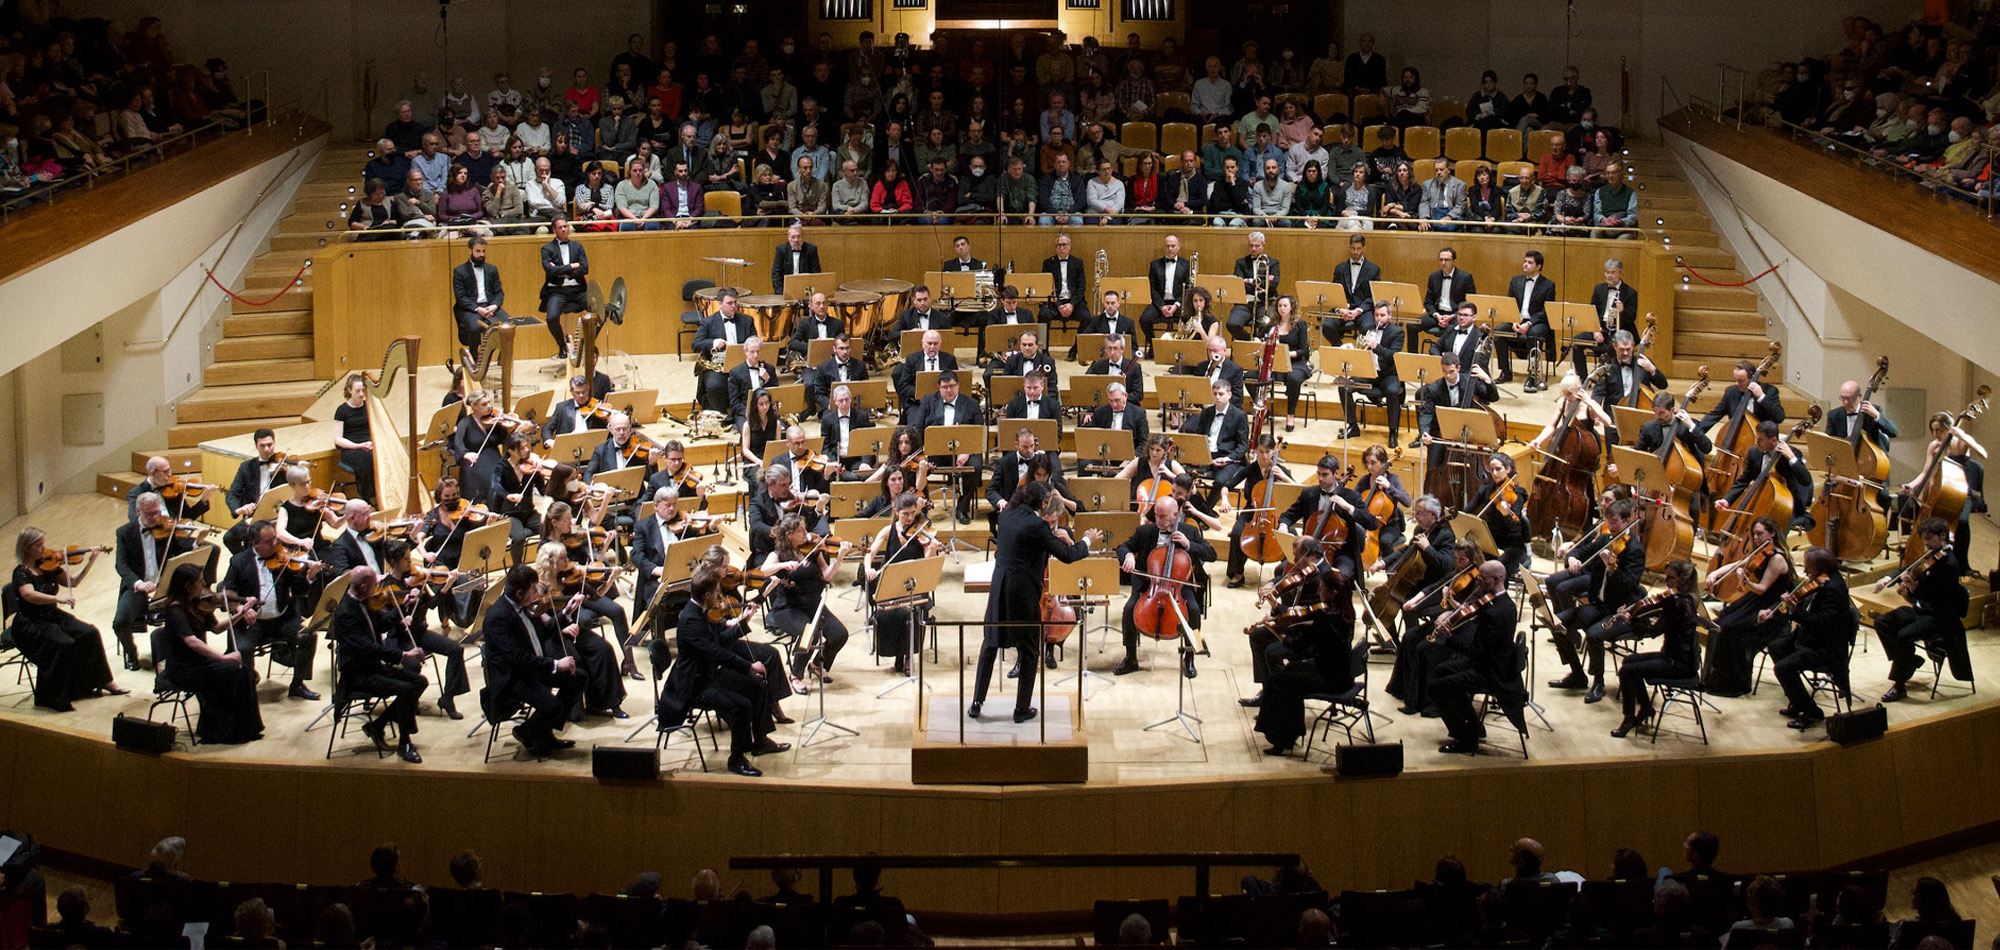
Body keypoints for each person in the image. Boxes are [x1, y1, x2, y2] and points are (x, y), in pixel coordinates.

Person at [972, 481, 1101, 721]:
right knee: (1030, 649)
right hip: (1022, 593)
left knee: (990, 644)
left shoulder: (1007, 515)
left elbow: (1026, 545)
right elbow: (1068, 556)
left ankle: (976, 703)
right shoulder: (1037, 526)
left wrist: (1050, 535)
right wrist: (1086, 540)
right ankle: (1021, 709)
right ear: (1042, 504)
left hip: (999, 588)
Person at [661, 564, 791, 776]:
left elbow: (719, 642)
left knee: (757, 685)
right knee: (742, 705)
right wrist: (749, 665)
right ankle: (736, 759)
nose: (720, 596)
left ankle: (760, 741)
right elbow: (716, 652)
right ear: (706, 595)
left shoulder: (701, 611)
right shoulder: (690, 620)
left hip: (710, 672)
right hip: (695, 684)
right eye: (717, 593)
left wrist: (743, 623)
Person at [11, 528, 125, 712]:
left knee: (89, 632)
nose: (43, 549)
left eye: (43, 544)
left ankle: (102, 681)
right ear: (26, 547)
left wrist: (91, 561)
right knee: (62, 643)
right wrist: (58, 599)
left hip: (52, 616)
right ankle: (54, 697)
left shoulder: (48, 565)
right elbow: (29, 595)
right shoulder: (21, 573)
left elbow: (74, 581)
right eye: (38, 545)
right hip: (31, 622)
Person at [1545, 499, 1648, 703]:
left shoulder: (1634, 551)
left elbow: (1628, 584)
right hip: (1599, 605)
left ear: (1628, 521)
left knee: (1593, 635)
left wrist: (1612, 568)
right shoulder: (1606, 540)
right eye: (1608, 521)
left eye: (1615, 522)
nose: (1610, 526)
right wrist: (1572, 558)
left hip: (1618, 610)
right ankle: (1577, 674)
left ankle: (1598, 683)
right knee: (1556, 623)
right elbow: (1579, 551)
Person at [483, 566, 584, 757]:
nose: (536, 593)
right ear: (520, 593)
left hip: (532, 668)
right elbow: (518, 659)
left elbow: (541, 634)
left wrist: (566, 613)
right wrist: (555, 664)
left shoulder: (522, 606)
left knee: (579, 678)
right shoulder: (498, 617)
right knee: (553, 706)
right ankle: (533, 732)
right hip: (513, 678)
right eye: (532, 589)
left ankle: (536, 730)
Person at [330, 567, 426, 763]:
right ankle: (404, 744)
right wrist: (404, 654)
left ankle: (377, 725)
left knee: (419, 682)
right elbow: (367, 648)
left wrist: (403, 606)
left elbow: (381, 625)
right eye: (375, 584)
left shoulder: (363, 602)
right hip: (358, 674)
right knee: (406, 689)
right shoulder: (345, 613)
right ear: (364, 586)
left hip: (373, 667)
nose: (378, 588)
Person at [221, 521, 325, 701]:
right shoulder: (239, 561)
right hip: (252, 622)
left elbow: (300, 590)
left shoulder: (284, 559)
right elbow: (226, 590)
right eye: (269, 541)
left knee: (308, 636)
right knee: (243, 648)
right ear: (255, 543)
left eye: (275, 538)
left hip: (283, 618)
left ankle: (298, 684)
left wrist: (309, 576)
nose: (275, 544)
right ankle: (247, 685)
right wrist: (240, 608)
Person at [1427, 560, 1522, 755]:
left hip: (1490, 671)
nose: (1478, 581)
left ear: (1497, 579)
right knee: (1441, 671)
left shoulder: (1496, 612)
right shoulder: (1502, 602)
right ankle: (1474, 726)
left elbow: (1476, 651)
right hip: (1490, 662)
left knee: (1436, 688)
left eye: (1482, 578)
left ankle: (1466, 739)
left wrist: (1449, 636)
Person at [1116, 496, 1215, 679]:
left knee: (1193, 610)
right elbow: (1122, 547)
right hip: (1149, 586)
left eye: (1163, 516)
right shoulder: (1145, 531)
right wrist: (1128, 555)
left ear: (1175, 514)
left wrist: (1188, 545)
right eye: (1156, 515)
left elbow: (1212, 554)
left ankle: (1190, 657)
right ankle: (1131, 658)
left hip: (1178, 585)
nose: (1158, 520)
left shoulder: (1189, 531)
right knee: (1129, 609)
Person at [1873, 517, 1969, 702]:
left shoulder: (1950, 564)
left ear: (1942, 536)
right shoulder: (1932, 555)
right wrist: (1888, 578)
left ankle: (1899, 685)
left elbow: (1938, 596)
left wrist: (1915, 588)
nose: (1926, 544)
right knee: (1882, 622)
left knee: (1904, 635)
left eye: (1929, 539)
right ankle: (1908, 661)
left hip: (1939, 617)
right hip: (1921, 611)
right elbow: (1907, 568)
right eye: (1924, 539)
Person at [1762, 546, 1854, 729]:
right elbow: (1808, 606)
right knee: (1776, 647)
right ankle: (1797, 699)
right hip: (1812, 638)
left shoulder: (1832, 588)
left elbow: (1820, 621)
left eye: (1808, 567)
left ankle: (1812, 712)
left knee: (1782, 668)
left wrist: (1796, 611)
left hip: (1826, 647)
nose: (1805, 571)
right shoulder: (1824, 580)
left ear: (1821, 566)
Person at [1701, 516, 1793, 697]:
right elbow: (1738, 563)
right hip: (1757, 601)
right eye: (1754, 534)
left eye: (1760, 534)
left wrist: (1745, 580)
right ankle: (1714, 677)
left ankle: (1735, 682)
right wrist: (1714, 573)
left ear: (1772, 533)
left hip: (1771, 607)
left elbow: (1762, 589)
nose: (1756, 538)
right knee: (1720, 622)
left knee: (1731, 629)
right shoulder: (1762, 550)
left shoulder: (1777, 559)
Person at [112, 493, 204, 671]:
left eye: (156, 512)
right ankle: (131, 653)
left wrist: (196, 541)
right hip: (139, 588)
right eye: (149, 514)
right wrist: (139, 583)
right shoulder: (124, 532)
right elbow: (121, 565)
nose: (155, 518)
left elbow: (182, 548)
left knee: (198, 609)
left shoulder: (166, 528)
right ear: (138, 511)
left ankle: (193, 655)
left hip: (167, 586)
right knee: (121, 622)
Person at [765, 513, 853, 690]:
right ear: (789, 534)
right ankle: (796, 675)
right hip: (787, 607)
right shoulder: (779, 554)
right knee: (809, 634)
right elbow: (764, 570)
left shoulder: (812, 550)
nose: (806, 533)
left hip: (813, 604)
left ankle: (818, 665)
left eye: (805, 528)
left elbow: (826, 575)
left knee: (839, 634)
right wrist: (782, 566)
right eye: (800, 530)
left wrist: (839, 558)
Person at [1279, 455, 1381, 579]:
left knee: (1337, 577)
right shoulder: (1309, 493)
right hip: (1310, 551)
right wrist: (1283, 526)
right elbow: (1288, 515)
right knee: (1281, 571)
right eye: (1319, 474)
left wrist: (1349, 508)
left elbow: (1372, 523)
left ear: (1336, 473)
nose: (1320, 479)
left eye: (1325, 475)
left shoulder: (1351, 497)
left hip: (1340, 552)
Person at [1336, 300, 1406, 445]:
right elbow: (1360, 350)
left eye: (1382, 315)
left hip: (1388, 375)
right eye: (1376, 315)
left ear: (1389, 316)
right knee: (1344, 386)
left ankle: (1393, 432)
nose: (1379, 318)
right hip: (1368, 373)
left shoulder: (1397, 332)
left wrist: (1376, 346)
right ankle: (1353, 426)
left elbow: (1392, 355)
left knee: (1393, 391)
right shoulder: (1367, 328)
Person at [537, 216, 590, 359]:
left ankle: (585, 345)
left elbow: (585, 268)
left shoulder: (577, 246)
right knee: (552, 317)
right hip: (557, 291)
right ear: (554, 230)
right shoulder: (547, 248)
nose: (564, 229)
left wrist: (564, 272)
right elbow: (550, 271)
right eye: (560, 227)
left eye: (565, 226)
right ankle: (562, 346)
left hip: (578, 289)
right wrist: (572, 266)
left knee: (600, 311)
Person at [1502, 250, 1555, 389]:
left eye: (1530, 262)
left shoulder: (1548, 285)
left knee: (1534, 334)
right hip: (1517, 319)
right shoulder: (1516, 280)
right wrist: (1514, 320)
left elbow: (1546, 310)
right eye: (1525, 261)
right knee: (1498, 331)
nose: (1525, 264)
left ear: (1538, 266)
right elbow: (1510, 302)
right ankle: (1505, 371)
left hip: (1537, 322)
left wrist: (1529, 323)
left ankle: (1533, 375)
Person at [451, 235, 512, 351]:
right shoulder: (459, 271)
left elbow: (499, 293)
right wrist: (478, 309)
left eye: (483, 251)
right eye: (478, 251)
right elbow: (460, 297)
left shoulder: (492, 269)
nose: (482, 255)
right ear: (470, 251)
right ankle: (476, 362)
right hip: (470, 308)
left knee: (509, 325)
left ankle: (502, 357)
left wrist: (494, 306)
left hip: (489, 306)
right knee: (475, 328)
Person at [1140, 234, 1193, 351]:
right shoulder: (1154, 265)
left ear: (1178, 247)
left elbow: (1188, 289)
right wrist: (1161, 306)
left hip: (1179, 304)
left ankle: (1179, 349)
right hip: (1159, 303)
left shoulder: (1186, 265)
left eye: (1173, 246)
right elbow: (1152, 288)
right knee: (1144, 319)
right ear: (1164, 247)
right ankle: (1154, 346)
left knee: (1188, 320)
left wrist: (1176, 305)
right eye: (1168, 246)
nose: (1170, 249)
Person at [1324, 234, 1379, 345]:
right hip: (1344, 308)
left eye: (1358, 249)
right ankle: (1341, 349)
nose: (1355, 252)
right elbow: (1334, 292)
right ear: (1349, 247)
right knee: (1327, 326)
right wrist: (1340, 309)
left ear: (1364, 248)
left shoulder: (1374, 269)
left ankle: (1360, 354)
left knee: (1368, 326)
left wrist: (1357, 311)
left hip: (1362, 309)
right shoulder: (1340, 268)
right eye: (1353, 248)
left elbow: (1372, 296)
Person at [770, 222, 822, 292]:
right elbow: (776, 274)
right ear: (788, 237)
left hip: (806, 289)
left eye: (799, 237)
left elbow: (816, 273)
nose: (796, 240)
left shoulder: (811, 249)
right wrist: (781, 294)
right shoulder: (781, 250)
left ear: (802, 237)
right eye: (793, 237)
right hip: (786, 289)